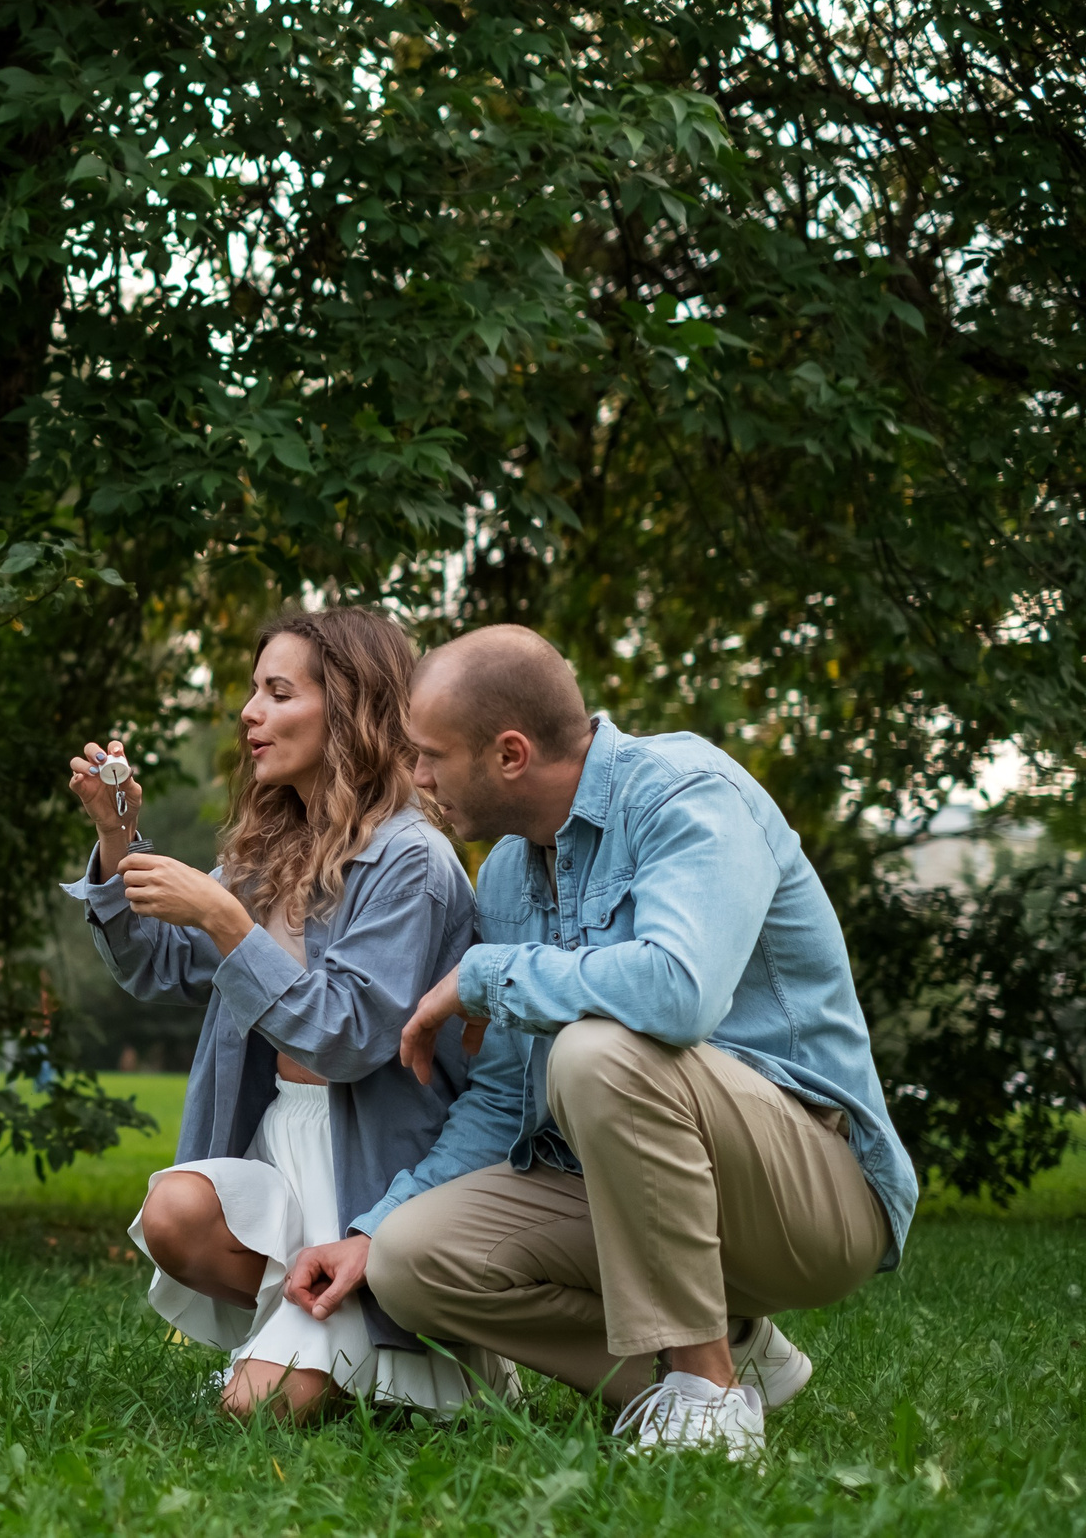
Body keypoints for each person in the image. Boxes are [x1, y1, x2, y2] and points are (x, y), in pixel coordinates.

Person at [277, 625, 917, 1459]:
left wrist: (486, 976)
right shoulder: (507, 871)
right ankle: (723, 1362)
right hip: (642, 1196)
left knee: (598, 1050)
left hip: (813, 1191)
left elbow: (677, 993)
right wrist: (374, 1225)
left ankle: (707, 1395)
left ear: (510, 753)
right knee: (413, 1260)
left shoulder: (688, 796)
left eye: (430, 755)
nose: (417, 778)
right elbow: (506, 1093)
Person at [60, 608, 503, 1420]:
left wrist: (226, 922)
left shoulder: (412, 861)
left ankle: (405, 1351)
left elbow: (347, 1038)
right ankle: (291, 1336)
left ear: (350, 709)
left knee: (254, 1415)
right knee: (174, 1210)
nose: (249, 714)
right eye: (251, 693)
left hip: (374, 1159)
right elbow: (155, 963)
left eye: (276, 692)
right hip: (284, 1137)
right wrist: (116, 838)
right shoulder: (269, 850)